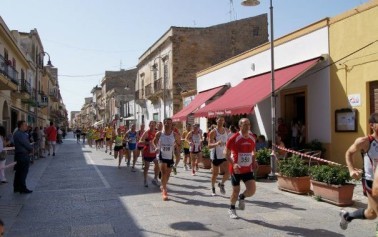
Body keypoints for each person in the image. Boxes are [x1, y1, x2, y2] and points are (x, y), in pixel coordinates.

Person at [339, 112, 378, 230]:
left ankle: (347, 216)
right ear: (372, 125)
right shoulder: (365, 141)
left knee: (371, 214)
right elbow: (349, 153)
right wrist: (351, 169)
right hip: (370, 181)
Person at [225, 118, 257, 219]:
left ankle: (242, 197)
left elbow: (253, 151)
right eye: (245, 124)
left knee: (252, 190)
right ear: (240, 126)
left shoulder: (252, 137)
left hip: (247, 169)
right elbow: (225, 153)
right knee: (236, 190)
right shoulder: (234, 138)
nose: (248, 126)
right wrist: (233, 164)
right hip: (236, 169)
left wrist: (254, 160)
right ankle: (232, 209)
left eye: (249, 124)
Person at [153, 118, 181, 201]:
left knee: (168, 174)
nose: (168, 124)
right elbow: (154, 142)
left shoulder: (175, 135)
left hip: (170, 156)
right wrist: (156, 148)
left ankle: (163, 184)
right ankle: (164, 190)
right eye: (166, 123)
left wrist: (176, 148)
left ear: (171, 124)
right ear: (164, 124)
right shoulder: (159, 134)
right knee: (164, 172)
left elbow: (179, 143)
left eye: (170, 123)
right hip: (162, 155)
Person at [208, 116, 230, 196]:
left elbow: (228, 142)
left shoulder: (227, 130)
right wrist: (216, 144)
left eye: (222, 120)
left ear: (224, 121)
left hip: (224, 154)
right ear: (216, 121)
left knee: (228, 172)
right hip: (216, 155)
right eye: (219, 120)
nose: (221, 122)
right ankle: (213, 188)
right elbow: (209, 146)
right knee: (215, 174)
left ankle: (221, 184)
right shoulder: (213, 132)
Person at [13, 120, 33, 194]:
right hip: (23, 155)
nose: (26, 126)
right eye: (25, 125)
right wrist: (31, 148)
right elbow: (26, 144)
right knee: (23, 172)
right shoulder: (20, 134)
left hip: (20, 155)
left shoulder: (19, 134)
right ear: (21, 126)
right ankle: (22, 187)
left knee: (18, 172)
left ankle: (16, 187)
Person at [139, 121, 159, 187]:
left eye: (154, 125)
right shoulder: (147, 132)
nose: (152, 126)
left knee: (157, 164)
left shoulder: (156, 132)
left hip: (153, 153)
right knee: (146, 167)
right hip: (147, 153)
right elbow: (140, 141)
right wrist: (147, 143)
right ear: (149, 125)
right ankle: (145, 180)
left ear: (155, 125)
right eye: (151, 125)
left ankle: (155, 179)